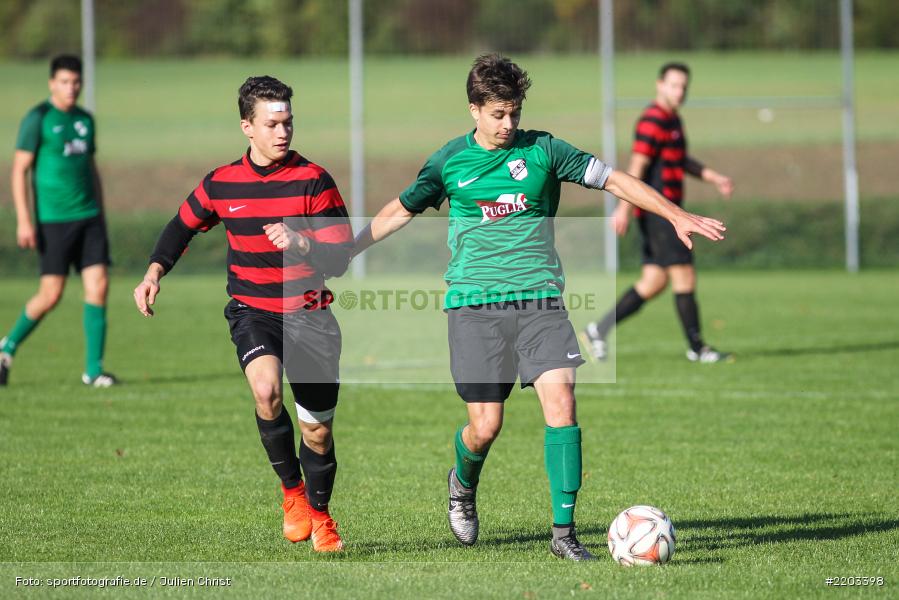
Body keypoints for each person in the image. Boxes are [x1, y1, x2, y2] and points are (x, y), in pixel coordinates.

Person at [353, 54, 725, 561]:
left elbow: (616, 179)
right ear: (474, 110)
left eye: (515, 113)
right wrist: (345, 251)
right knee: (485, 426)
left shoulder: (545, 150)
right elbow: (400, 209)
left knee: (563, 404)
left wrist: (674, 212)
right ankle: (462, 481)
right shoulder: (448, 162)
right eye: (498, 114)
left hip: (540, 303)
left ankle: (564, 534)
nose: (509, 125)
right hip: (474, 306)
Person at [132, 76, 353, 552]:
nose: (283, 132)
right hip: (254, 310)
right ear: (247, 127)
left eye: (288, 122)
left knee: (316, 430)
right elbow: (181, 225)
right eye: (273, 123)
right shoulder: (222, 182)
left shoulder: (315, 180)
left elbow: (340, 257)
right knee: (266, 390)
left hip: (310, 315)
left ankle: (320, 514)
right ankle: (292, 495)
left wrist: (302, 243)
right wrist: (154, 272)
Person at [583, 62, 734, 363]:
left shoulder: (672, 120)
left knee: (654, 281)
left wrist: (711, 176)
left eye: (684, 87)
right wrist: (623, 208)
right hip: (660, 213)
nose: (680, 92)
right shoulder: (652, 120)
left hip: (665, 213)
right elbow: (637, 166)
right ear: (659, 85)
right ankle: (697, 347)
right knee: (684, 274)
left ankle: (596, 331)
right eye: (674, 85)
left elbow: (680, 159)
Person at [1, 55, 115, 387]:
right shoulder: (38, 119)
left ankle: (93, 371)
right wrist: (24, 220)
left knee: (99, 286)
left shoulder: (85, 120)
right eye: (64, 82)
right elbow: (20, 170)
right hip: (53, 220)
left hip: (90, 217)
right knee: (51, 294)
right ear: (52, 83)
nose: (71, 88)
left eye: (76, 82)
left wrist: (101, 213)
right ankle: (7, 347)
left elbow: (90, 169)